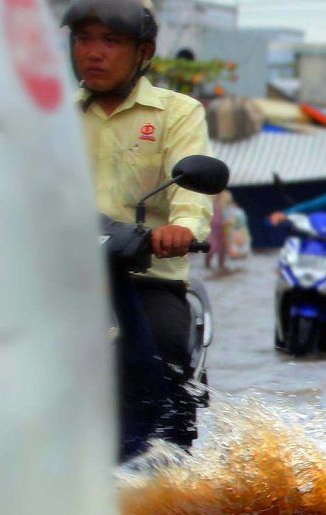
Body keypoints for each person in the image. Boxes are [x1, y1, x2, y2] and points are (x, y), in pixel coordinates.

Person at [62, 0, 214, 448]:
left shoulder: (178, 112)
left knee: (165, 351)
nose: (93, 52)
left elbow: (192, 191)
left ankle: (173, 462)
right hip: (62, 278)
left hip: (146, 276)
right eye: (84, 39)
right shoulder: (51, 118)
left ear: (143, 52)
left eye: (110, 41)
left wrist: (182, 228)